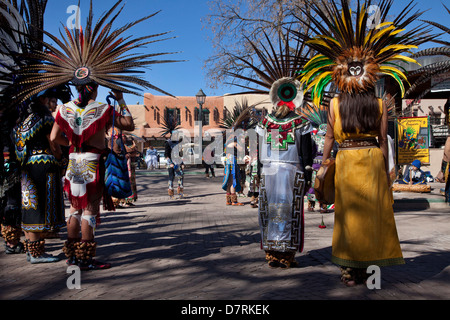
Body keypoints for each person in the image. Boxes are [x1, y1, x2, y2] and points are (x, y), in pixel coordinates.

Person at [297, 0, 429, 286]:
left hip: (346, 161)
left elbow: (329, 138)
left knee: (348, 216)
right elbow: (383, 140)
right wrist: (385, 171)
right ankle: (371, 266)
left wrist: (324, 163)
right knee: (371, 213)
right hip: (371, 160)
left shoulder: (334, 103)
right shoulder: (380, 104)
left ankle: (349, 269)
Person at [51, 84, 134, 270]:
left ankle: (72, 256)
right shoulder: (103, 109)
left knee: (74, 209)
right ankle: (86, 258)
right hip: (92, 162)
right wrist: (120, 99)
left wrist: (71, 144)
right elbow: (129, 124)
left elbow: (54, 136)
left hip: (74, 162)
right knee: (89, 209)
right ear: (95, 89)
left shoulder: (64, 109)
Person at [256, 77, 313, 269]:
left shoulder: (266, 122)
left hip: (269, 171)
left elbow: (259, 149)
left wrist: (257, 173)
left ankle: (272, 252)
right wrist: (308, 174)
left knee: (271, 211)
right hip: (291, 171)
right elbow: (306, 154)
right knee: (289, 211)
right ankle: (286, 255)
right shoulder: (301, 123)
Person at [15, 88, 67, 264]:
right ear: (43, 99)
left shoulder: (25, 120)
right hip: (43, 166)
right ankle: (37, 253)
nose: (52, 102)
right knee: (39, 208)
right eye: (49, 98)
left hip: (27, 165)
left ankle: (32, 250)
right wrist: (67, 147)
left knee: (29, 205)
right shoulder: (45, 117)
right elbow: (54, 141)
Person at [165, 135, 185, 199]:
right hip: (170, 162)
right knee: (171, 177)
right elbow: (166, 154)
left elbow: (179, 154)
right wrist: (170, 163)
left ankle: (180, 193)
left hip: (177, 161)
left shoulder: (177, 143)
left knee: (180, 176)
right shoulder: (167, 143)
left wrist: (182, 163)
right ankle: (171, 194)